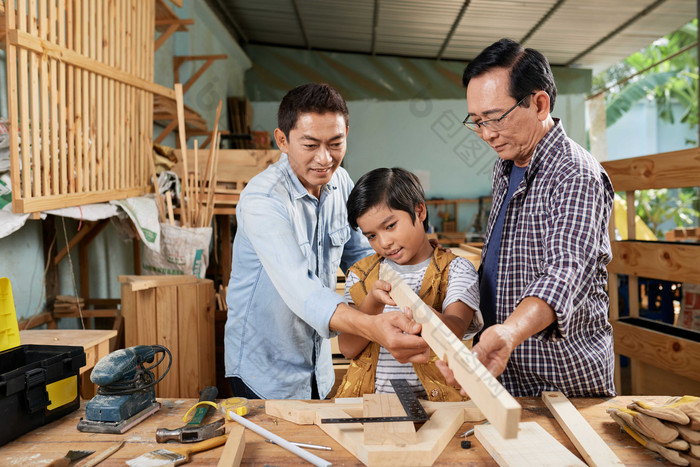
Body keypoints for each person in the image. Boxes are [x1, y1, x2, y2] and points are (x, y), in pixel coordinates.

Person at [225, 83, 430, 400]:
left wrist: (409, 290)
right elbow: (302, 291)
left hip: (317, 368)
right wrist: (371, 326)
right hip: (263, 371)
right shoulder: (262, 201)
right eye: (310, 145)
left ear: (347, 131)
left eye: (335, 143)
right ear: (282, 140)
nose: (325, 159)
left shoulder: (341, 183)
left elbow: (362, 259)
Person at [438, 38, 615, 397]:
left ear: (539, 103)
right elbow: (501, 260)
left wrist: (509, 332)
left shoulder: (575, 173)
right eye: (477, 122)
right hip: (505, 369)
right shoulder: (505, 166)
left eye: (495, 118)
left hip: (560, 380)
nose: (487, 134)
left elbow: (563, 273)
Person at [332, 168, 482, 401]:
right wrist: (372, 301)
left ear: (419, 210)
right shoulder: (361, 276)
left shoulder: (456, 269)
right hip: (371, 401)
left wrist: (420, 311)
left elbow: (456, 331)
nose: (384, 242)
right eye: (371, 235)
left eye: (390, 226)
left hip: (440, 406)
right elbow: (348, 348)